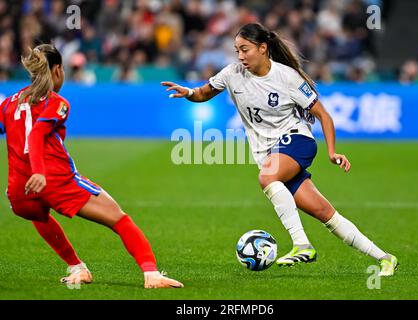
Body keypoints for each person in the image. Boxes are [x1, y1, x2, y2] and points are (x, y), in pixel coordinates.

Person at [162, 23, 398, 276]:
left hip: (296, 141)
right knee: (326, 214)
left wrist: (332, 151)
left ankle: (302, 245)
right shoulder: (232, 74)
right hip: (272, 154)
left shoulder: (287, 77)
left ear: (263, 48)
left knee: (267, 176)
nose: (240, 56)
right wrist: (187, 91)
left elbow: (323, 116)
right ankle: (384, 258)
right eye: (237, 50)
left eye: (245, 49)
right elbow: (203, 93)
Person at [0, 44, 183, 289]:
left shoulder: (8, 103)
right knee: (120, 219)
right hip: (53, 179)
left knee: (40, 215)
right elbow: (35, 135)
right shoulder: (57, 102)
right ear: (57, 70)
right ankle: (151, 274)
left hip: (19, 191)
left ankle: (77, 267)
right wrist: (40, 171)